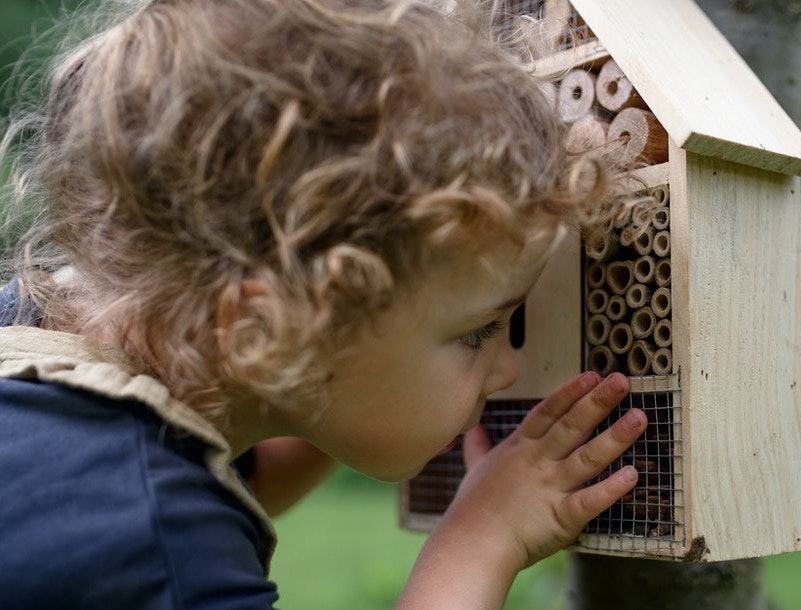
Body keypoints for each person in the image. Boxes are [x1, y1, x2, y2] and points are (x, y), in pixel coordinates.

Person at [0, 0, 647, 607]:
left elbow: (256, 462)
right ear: (276, 333)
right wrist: (483, 538)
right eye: (479, 330)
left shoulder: (37, 353)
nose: (510, 367)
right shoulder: (156, 538)